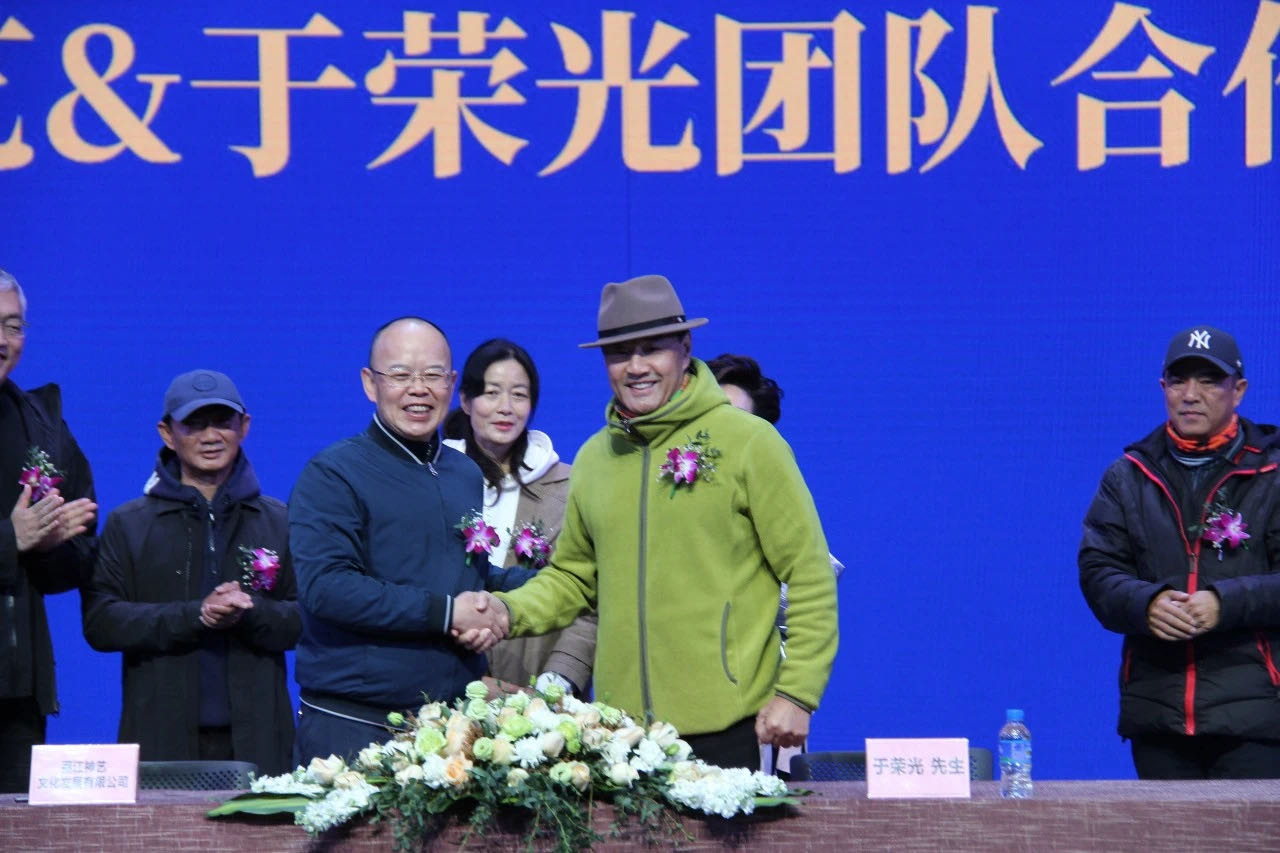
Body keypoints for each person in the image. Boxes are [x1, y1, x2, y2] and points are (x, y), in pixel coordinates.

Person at [469, 275, 838, 771]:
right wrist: (505, 610)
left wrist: (797, 693)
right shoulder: (595, 459)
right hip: (619, 733)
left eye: (653, 349)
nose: (636, 366)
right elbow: (573, 579)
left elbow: (809, 571)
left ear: (685, 348)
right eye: (620, 353)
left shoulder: (749, 441)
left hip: (729, 725)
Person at [288, 317, 534, 763]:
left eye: (433, 375)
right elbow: (327, 587)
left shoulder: (463, 472)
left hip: (452, 725)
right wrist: (448, 613)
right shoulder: (333, 473)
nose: (418, 389)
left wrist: (544, 585)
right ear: (370, 383)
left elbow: (467, 574)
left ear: (452, 383)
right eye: (400, 375)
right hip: (355, 725)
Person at [1079, 326, 1280, 779]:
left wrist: (1225, 603)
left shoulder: (1273, 473)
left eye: (1209, 381)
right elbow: (1098, 571)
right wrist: (1145, 603)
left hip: (1259, 716)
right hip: (1159, 715)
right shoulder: (1128, 476)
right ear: (1163, 387)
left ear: (1239, 391)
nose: (1190, 395)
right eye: (1178, 381)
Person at [82, 370, 299, 774]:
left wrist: (251, 612)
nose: (210, 436)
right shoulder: (129, 524)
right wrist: (195, 615)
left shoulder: (279, 520)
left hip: (259, 741)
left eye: (222, 422)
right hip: (159, 740)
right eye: (194, 424)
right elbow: (101, 623)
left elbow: (306, 619)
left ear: (244, 426)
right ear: (167, 433)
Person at [707, 353, 844, 778]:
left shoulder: (778, 512)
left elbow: (810, 584)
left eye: (737, 421)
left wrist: (794, 697)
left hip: (755, 716)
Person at [442, 339, 595, 697]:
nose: (506, 408)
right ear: (466, 400)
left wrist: (557, 681)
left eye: (519, 395)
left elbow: (589, 595)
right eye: (492, 393)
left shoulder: (569, 487)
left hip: (542, 698)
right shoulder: (431, 484)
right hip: (444, 690)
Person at [0, 269, 97, 793]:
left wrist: (49, 546)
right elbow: (15, 538)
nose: (2, 339)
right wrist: (9, 539)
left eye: (12, 326)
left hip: (17, 691)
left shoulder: (42, 425)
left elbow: (80, 551)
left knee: (17, 831)